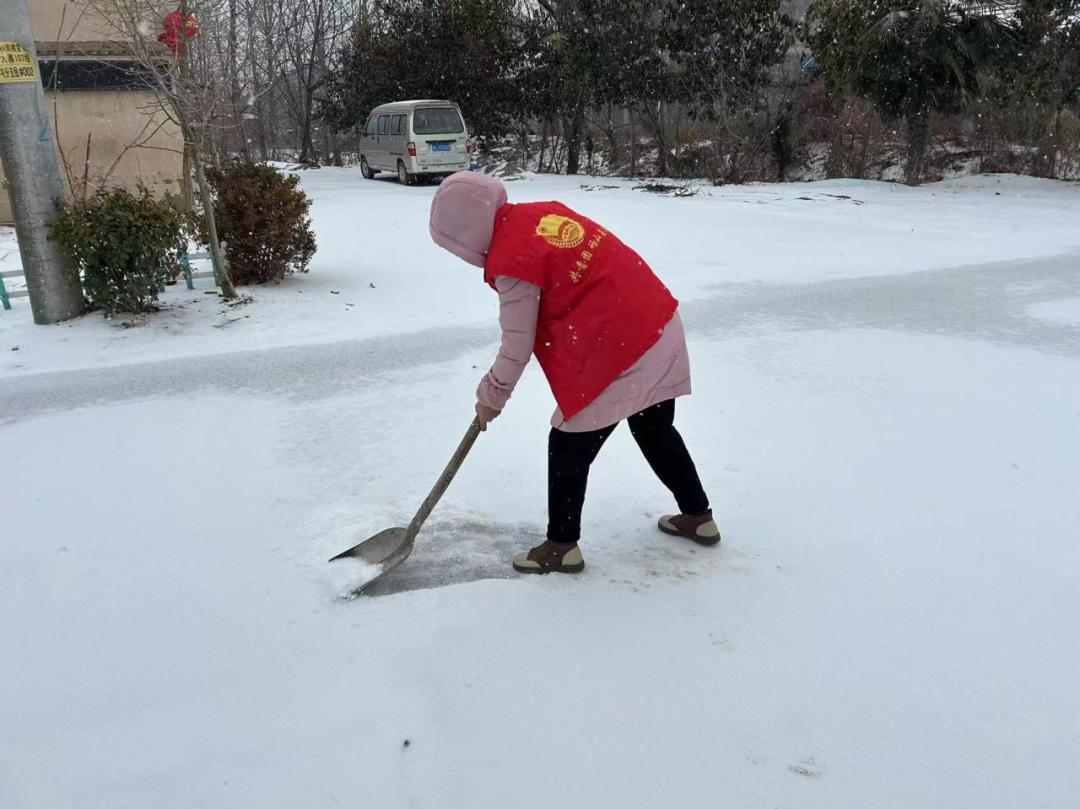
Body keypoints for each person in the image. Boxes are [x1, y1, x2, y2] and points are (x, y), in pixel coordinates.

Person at [428, 172, 718, 574]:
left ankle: (562, 545)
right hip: (658, 322)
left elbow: (517, 346)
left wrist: (490, 397)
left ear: (465, 237)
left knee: (567, 442)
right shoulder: (539, 215)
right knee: (654, 428)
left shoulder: (513, 262)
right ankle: (698, 516)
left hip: (624, 349)